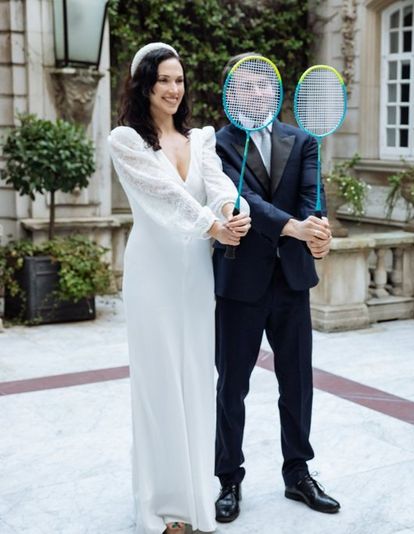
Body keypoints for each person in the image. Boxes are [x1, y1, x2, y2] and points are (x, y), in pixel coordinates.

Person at [108, 42, 251, 534]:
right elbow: (164, 197)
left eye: (180, 80)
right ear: (144, 84)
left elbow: (220, 186)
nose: (173, 89)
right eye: (163, 80)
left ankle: (195, 499)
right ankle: (165, 507)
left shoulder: (200, 138)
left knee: (195, 379)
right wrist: (214, 227)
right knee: (159, 386)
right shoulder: (125, 140)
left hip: (196, 276)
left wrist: (234, 213)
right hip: (153, 274)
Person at [212, 52, 339, 523]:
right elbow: (245, 204)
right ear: (231, 95)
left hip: (291, 282)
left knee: (298, 383)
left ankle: (298, 473)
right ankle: (228, 479)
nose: (256, 93)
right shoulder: (218, 144)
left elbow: (312, 198)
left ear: (275, 91)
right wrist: (297, 229)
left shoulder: (303, 140)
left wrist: (319, 234)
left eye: (263, 86)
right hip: (239, 282)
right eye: (245, 87)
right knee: (232, 385)